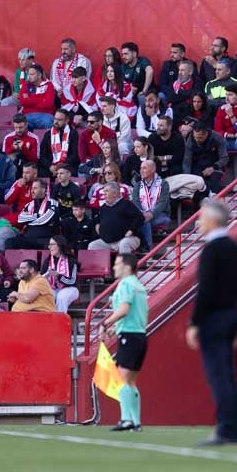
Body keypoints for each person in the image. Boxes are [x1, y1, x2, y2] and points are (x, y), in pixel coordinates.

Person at [184, 199, 237, 446]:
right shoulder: (235, 247)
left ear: (212, 220)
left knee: (218, 375)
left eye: (201, 218)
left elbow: (206, 291)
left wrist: (194, 322)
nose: (199, 223)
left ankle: (226, 428)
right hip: (231, 316)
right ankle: (232, 428)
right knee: (228, 375)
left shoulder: (211, 250)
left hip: (213, 318)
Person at [99, 253, 149, 431]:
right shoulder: (138, 285)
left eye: (118, 264)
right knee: (131, 381)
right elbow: (135, 313)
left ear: (127, 267)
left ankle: (126, 419)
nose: (114, 267)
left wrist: (105, 323)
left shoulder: (126, 284)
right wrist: (115, 328)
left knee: (121, 379)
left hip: (129, 336)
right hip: (139, 335)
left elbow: (124, 309)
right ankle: (135, 422)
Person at [88, 181, 143, 254]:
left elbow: (140, 217)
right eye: (104, 191)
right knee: (92, 246)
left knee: (124, 244)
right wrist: (97, 224)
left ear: (115, 193)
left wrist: (131, 230)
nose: (104, 193)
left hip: (127, 238)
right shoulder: (103, 207)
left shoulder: (126, 204)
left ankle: (125, 265)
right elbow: (98, 219)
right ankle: (102, 266)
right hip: (108, 241)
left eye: (106, 191)